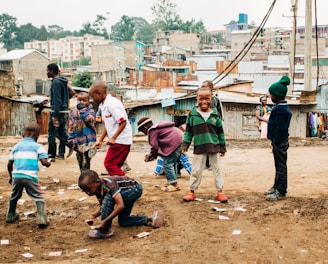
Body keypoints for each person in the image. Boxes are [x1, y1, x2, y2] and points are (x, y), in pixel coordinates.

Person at [78, 169, 164, 239]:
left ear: (97, 182)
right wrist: (94, 216)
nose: (87, 193)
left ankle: (104, 230)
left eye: (88, 189)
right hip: (126, 192)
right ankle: (151, 218)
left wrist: (105, 221)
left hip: (134, 189)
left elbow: (120, 205)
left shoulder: (107, 185)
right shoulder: (98, 189)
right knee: (123, 221)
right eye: (84, 190)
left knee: (108, 198)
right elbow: (103, 207)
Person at [182, 88, 228, 203]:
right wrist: (185, 145)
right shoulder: (192, 114)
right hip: (199, 147)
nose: (204, 101)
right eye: (201, 98)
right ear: (196, 99)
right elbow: (188, 132)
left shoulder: (215, 114)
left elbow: (220, 133)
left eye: (207, 98)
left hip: (215, 146)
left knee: (217, 170)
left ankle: (220, 191)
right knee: (196, 170)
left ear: (211, 99)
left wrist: (223, 147)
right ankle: (192, 191)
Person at [6, 122, 51, 228]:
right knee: (38, 197)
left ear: (23, 134)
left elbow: (9, 164)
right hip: (30, 176)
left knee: (14, 196)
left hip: (17, 176)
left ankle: (10, 215)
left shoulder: (16, 147)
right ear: (37, 136)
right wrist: (48, 163)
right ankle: (42, 219)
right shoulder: (38, 147)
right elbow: (44, 162)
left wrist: (11, 177)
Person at [89, 82, 132, 176]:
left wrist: (113, 138)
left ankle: (127, 184)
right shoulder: (103, 105)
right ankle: (119, 185)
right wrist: (100, 140)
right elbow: (107, 125)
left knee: (109, 164)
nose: (92, 99)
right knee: (115, 166)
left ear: (100, 93)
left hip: (121, 140)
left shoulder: (112, 104)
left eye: (93, 96)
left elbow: (123, 122)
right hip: (117, 141)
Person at [265, 76, 292, 201]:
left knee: (281, 166)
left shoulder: (280, 110)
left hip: (279, 142)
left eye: (271, 94)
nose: (270, 97)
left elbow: (280, 129)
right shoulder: (281, 108)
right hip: (279, 142)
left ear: (276, 95)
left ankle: (281, 191)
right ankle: (276, 187)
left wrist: (275, 142)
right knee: (278, 165)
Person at [137, 117, 182, 192]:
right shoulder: (158, 127)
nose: (144, 133)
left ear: (145, 127)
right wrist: (153, 155)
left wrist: (150, 155)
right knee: (170, 162)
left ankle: (174, 185)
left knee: (167, 164)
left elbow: (154, 146)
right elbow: (158, 147)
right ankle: (171, 181)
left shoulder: (152, 130)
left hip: (175, 142)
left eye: (142, 131)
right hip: (179, 140)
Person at [46, 63, 73, 161]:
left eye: (48, 70)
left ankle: (51, 155)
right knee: (61, 132)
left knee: (52, 133)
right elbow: (71, 93)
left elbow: (57, 100)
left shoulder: (56, 82)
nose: (47, 73)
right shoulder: (63, 81)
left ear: (52, 71)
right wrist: (64, 102)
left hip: (57, 111)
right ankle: (70, 144)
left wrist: (55, 115)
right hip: (64, 110)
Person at [67, 92, 97, 171]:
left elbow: (88, 119)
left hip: (88, 141)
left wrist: (82, 110)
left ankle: (86, 178)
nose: (81, 102)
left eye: (84, 100)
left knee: (86, 160)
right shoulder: (73, 112)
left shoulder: (90, 111)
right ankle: (83, 177)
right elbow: (71, 126)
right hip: (78, 141)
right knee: (79, 159)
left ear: (88, 101)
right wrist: (70, 138)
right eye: (79, 100)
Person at [201, 80, 223, 169]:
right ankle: (206, 164)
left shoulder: (215, 100)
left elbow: (219, 114)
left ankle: (212, 164)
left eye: (204, 87)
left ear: (210, 88)